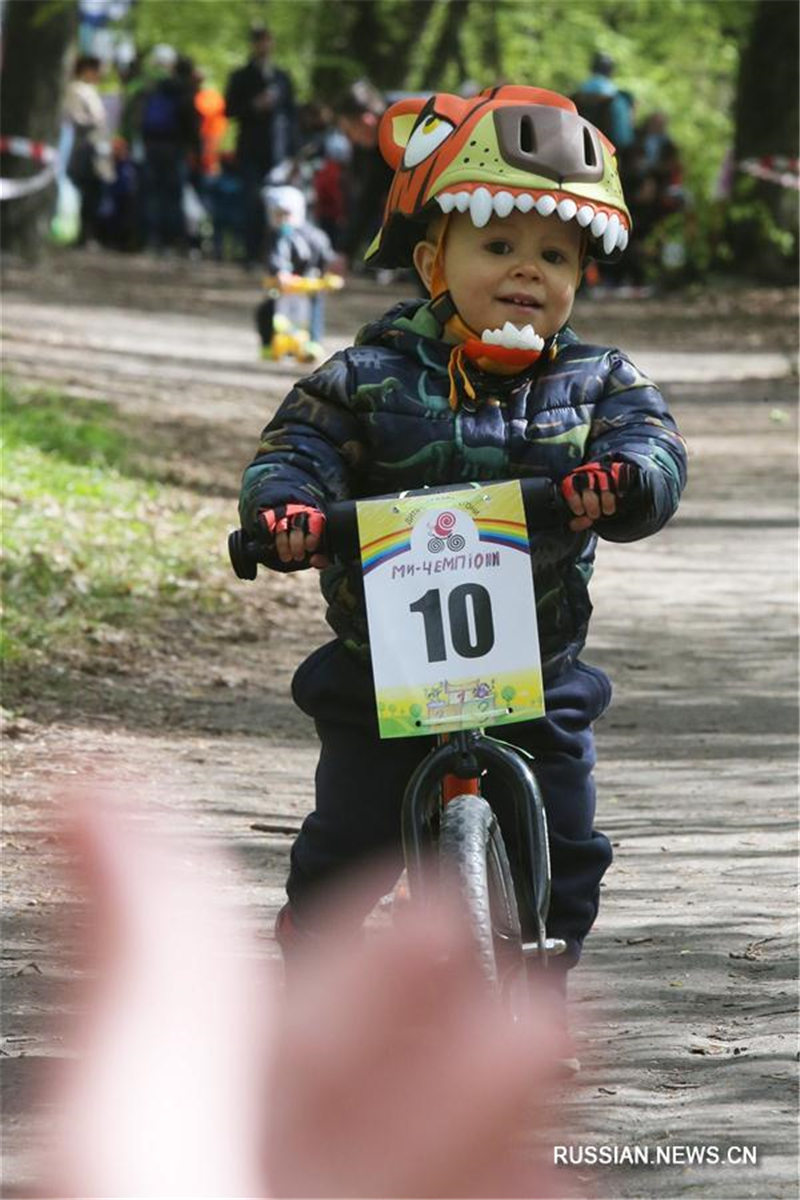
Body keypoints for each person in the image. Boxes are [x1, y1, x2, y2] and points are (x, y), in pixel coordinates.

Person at [237, 86, 687, 1022]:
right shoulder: (364, 375)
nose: (528, 272)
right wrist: (286, 509)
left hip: (537, 658)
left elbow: (654, 447)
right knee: (351, 838)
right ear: (434, 259)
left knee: (565, 837)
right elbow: (298, 450)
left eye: (554, 255)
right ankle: (312, 972)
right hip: (383, 667)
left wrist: (625, 480)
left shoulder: (600, 379)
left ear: (579, 277)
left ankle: (541, 991)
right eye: (499, 245)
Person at [224, 23, 297, 267]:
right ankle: (251, 252)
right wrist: (254, 106)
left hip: (277, 151)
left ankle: (278, 253)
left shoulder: (282, 78)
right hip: (250, 149)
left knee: (280, 202)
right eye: (259, 40)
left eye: (267, 40)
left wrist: (293, 152)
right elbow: (229, 110)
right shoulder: (241, 77)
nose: (264, 45)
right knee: (251, 200)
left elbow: (291, 115)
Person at [256, 183, 337, 361]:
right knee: (265, 310)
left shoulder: (315, 236)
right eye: (278, 215)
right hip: (283, 286)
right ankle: (268, 343)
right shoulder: (275, 237)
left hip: (308, 284)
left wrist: (329, 276)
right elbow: (274, 257)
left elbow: (326, 257)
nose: (283, 220)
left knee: (315, 306)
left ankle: (314, 341)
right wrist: (278, 273)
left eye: (287, 214)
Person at [137, 44, 201, 253]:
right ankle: (171, 241)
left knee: (154, 194)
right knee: (173, 195)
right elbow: (190, 122)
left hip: (152, 146)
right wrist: (195, 148)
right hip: (175, 149)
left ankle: (151, 239)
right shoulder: (184, 91)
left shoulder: (153, 88)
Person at [335, 80, 394, 270]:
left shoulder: (408, 123)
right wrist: (345, 252)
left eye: (349, 130)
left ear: (367, 119)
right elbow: (367, 201)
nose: (349, 138)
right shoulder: (366, 151)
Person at [63, 54, 114, 246]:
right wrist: (96, 122)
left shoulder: (90, 90)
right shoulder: (77, 89)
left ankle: (90, 234)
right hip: (86, 146)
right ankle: (85, 235)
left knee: (96, 192)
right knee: (89, 191)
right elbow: (76, 117)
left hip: (97, 146)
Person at [572, 51, 635, 159]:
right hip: (608, 150)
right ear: (611, 71)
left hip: (578, 145)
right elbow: (624, 138)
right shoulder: (619, 98)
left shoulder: (580, 92)